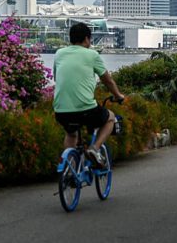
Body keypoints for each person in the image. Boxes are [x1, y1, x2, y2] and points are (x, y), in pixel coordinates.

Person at [53, 23, 125, 167]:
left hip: (60, 111)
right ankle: (94, 149)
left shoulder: (59, 54)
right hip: (86, 110)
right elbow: (108, 81)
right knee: (110, 118)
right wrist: (118, 95)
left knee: (71, 133)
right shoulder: (92, 55)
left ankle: (69, 170)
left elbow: (57, 78)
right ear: (87, 39)